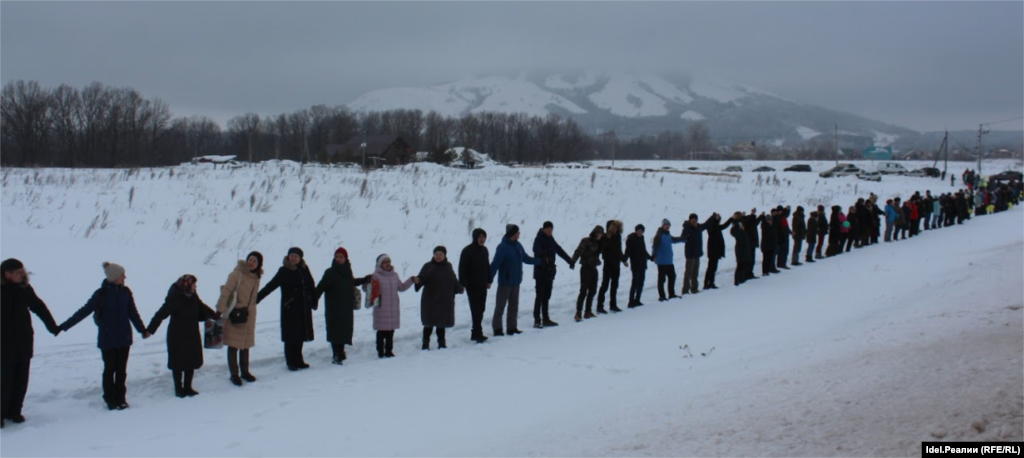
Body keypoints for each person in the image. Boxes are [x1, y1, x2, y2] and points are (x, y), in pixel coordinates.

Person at [59, 262, 149, 411]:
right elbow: (84, 311)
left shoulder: (126, 292)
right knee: (109, 370)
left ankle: (121, 398)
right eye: (122, 275)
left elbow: (133, 313)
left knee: (121, 370)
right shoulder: (101, 294)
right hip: (107, 338)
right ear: (114, 277)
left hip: (124, 338)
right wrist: (65, 326)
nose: (124, 277)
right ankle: (110, 398)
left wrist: (142, 329)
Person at [0, 259, 60, 428]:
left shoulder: (24, 289)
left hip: (24, 341)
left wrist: (52, 326)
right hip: (4, 344)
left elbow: (39, 307)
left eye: (22, 271)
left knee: (21, 380)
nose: (22, 274)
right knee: (6, 380)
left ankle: (15, 411)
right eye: (18, 272)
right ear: (7, 274)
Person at [145, 274, 216, 398]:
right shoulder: (174, 297)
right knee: (178, 362)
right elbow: (161, 314)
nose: (195, 287)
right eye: (193, 284)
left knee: (191, 360)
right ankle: (178, 388)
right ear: (186, 284)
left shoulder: (192, 295)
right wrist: (150, 329)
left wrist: (214, 315)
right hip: (177, 334)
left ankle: (188, 387)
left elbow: (201, 306)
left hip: (192, 332)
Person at [257, 247, 317, 371]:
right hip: (290, 308)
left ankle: (299, 360)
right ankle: (291, 362)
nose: (293, 258)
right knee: (291, 336)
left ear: (300, 258)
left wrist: (313, 300)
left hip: (303, 307)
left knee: (300, 335)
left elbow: (311, 284)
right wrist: (256, 298)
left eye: (296, 256)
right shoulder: (284, 270)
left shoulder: (304, 269)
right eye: (291, 256)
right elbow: (271, 285)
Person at [314, 248, 372, 365]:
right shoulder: (330, 272)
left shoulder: (347, 271)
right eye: (337, 257)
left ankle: (341, 352)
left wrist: (364, 279)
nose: (339, 259)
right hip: (333, 307)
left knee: (344, 330)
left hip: (346, 306)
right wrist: (314, 300)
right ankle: (336, 354)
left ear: (345, 259)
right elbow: (321, 287)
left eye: (341, 257)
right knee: (335, 331)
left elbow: (351, 282)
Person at [215, 252, 262, 386]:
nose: (251, 262)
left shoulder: (256, 277)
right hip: (235, 313)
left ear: (258, 264)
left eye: (255, 261)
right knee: (233, 345)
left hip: (249, 315)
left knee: (245, 344)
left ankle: (245, 372)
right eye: (250, 259)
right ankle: (234, 374)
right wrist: (220, 309)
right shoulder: (237, 274)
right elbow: (226, 292)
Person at [489, 224, 538, 336]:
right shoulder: (502, 247)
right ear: (513, 233)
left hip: (516, 282)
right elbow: (495, 264)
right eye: (517, 232)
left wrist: (539, 261)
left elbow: (525, 258)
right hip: (505, 283)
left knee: (514, 307)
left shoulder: (518, 245)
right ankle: (497, 329)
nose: (519, 233)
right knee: (500, 307)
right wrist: (489, 279)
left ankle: (512, 327)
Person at [416, 246, 464, 350]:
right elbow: (422, 278)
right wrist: (418, 281)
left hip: (444, 300)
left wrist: (459, 288)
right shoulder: (428, 266)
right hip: (430, 300)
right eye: (436, 254)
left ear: (444, 256)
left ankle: (441, 343)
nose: (438, 256)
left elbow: (453, 280)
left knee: (441, 324)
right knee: (428, 324)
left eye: (440, 254)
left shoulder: (448, 266)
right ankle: (425, 343)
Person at [370, 254, 415, 358]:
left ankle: (389, 351)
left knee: (390, 332)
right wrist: (367, 283)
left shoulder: (394, 275)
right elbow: (369, 290)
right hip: (381, 308)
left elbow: (401, 287)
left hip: (392, 309)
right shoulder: (375, 276)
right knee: (381, 332)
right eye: (384, 262)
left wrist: (411, 280)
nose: (387, 264)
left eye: (388, 261)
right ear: (379, 264)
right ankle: (380, 352)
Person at [531, 222, 572, 328]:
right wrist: (544, 256)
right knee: (539, 296)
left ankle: (546, 318)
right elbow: (536, 249)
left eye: (551, 228)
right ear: (543, 229)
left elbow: (559, 251)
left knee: (547, 296)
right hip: (541, 272)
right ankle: (537, 319)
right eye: (548, 228)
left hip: (550, 272)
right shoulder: (539, 239)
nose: (549, 230)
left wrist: (570, 260)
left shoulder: (551, 240)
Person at [459, 228, 491, 342]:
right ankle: (478, 332)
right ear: (475, 238)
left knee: (481, 309)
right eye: (480, 237)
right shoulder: (467, 251)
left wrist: (489, 280)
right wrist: (463, 283)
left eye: (483, 237)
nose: (482, 239)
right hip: (471, 285)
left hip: (482, 284)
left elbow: (487, 266)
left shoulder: (484, 250)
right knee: (475, 309)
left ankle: (475, 332)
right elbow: (462, 268)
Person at [571, 225, 605, 321]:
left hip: (594, 268)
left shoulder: (600, 243)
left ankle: (588, 311)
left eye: (601, 234)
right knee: (583, 291)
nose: (599, 235)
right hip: (585, 267)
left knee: (593, 290)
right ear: (594, 233)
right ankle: (578, 313)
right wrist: (573, 260)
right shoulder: (586, 241)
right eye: (598, 233)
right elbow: (578, 251)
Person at [597, 220, 627, 313]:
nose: (615, 229)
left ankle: (613, 305)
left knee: (615, 284)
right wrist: (607, 239)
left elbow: (619, 250)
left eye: (616, 227)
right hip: (608, 263)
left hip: (616, 263)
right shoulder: (605, 237)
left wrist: (623, 260)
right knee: (605, 285)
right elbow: (602, 249)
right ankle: (600, 306)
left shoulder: (618, 236)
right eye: (613, 227)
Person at [652, 219, 684, 301]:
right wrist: (654, 256)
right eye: (666, 225)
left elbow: (674, 240)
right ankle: (662, 296)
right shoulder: (659, 235)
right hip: (661, 261)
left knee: (672, 277)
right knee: (662, 279)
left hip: (669, 261)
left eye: (668, 225)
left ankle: (671, 294)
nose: (667, 226)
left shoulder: (668, 235)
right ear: (662, 226)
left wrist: (684, 239)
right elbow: (655, 246)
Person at [624, 224, 653, 307]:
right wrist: (625, 260)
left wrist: (650, 258)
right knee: (635, 283)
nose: (640, 232)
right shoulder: (631, 239)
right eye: (639, 230)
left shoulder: (641, 239)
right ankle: (631, 301)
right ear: (636, 231)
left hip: (643, 264)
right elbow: (628, 251)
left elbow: (644, 251)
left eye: (641, 231)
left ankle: (637, 300)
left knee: (641, 283)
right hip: (635, 264)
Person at [680, 213, 710, 294]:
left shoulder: (699, 227)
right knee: (688, 273)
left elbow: (706, 224)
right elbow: (682, 239)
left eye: (695, 219)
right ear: (690, 220)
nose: (694, 220)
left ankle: (694, 288)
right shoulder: (686, 228)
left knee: (695, 273)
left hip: (697, 254)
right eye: (692, 219)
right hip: (690, 254)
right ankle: (685, 290)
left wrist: (713, 217)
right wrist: (687, 238)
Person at [704, 213, 733, 290]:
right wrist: (713, 217)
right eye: (717, 218)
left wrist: (731, 219)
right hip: (712, 250)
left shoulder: (717, 227)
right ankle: (707, 283)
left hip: (716, 251)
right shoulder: (711, 227)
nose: (718, 220)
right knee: (711, 267)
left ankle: (711, 282)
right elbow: (709, 223)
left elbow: (724, 225)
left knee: (713, 267)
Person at [729, 213, 753, 286]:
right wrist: (735, 220)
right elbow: (734, 230)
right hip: (740, 249)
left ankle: (742, 279)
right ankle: (737, 280)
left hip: (745, 249)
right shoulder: (736, 230)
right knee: (740, 265)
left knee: (745, 264)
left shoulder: (743, 231)